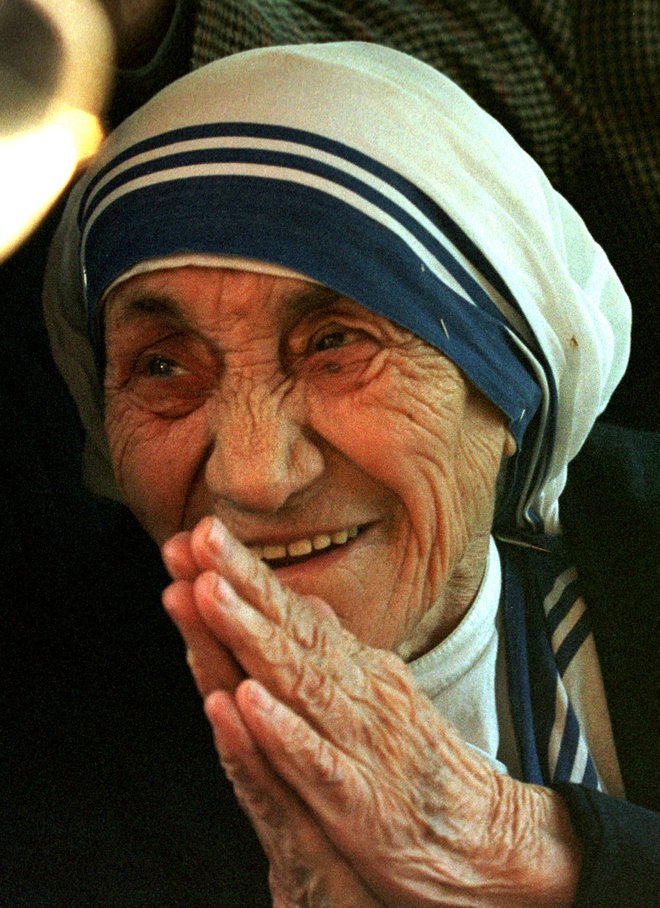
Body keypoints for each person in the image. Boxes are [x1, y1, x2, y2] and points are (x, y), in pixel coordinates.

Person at [40, 43, 658, 906]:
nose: (256, 477)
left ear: (509, 380)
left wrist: (549, 861)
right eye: (163, 368)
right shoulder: (50, 732)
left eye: (337, 345)